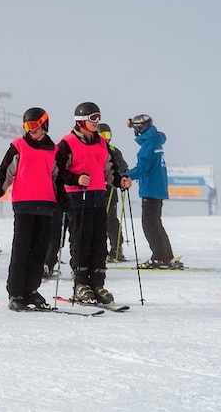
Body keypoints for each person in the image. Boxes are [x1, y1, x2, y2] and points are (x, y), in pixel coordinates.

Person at [55, 102, 131, 305]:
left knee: (99, 242)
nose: (97, 122)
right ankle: (81, 284)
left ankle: (98, 283)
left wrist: (119, 181)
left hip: (99, 196)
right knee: (81, 241)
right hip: (77, 198)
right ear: (81, 121)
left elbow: (109, 169)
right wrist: (75, 179)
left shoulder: (101, 143)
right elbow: (58, 171)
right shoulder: (67, 142)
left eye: (98, 118)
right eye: (93, 119)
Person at [0, 108, 58, 311]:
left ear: (44, 125)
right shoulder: (18, 146)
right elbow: (6, 172)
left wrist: (62, 198)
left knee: (39, 250)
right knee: (21, 249)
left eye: (35, 126)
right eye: (27, 127)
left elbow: (56, 176)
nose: (31, 131)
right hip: (24, 204)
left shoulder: (52, 149)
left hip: (45, 204)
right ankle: (16, 292)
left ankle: (31, 290)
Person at [120, 115, 179, 269]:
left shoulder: (148, 145)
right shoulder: (155, 141)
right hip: (157, 189)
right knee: (156, 223)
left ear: (140, 129)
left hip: (151, 190)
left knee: (149, 225)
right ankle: (167, 256)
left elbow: (142, 168)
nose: (134, 131)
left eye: (135, 128)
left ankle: (159, 257)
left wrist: (124, 175)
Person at [98, 123, 129, 263]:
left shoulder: (113, 150)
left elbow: (123, 166)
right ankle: (99, 250)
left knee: (110, 219)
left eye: (108, 135)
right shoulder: (93, 150)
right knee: (97, 220)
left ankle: (116, 248)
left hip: (110, 190)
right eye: (102, 135)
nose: (105, 139)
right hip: (97, 190)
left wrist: (119, 176)